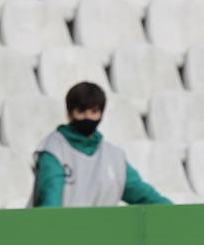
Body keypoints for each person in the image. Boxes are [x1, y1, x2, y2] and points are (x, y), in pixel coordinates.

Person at [31, 82, 171, 207]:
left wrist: (178, 213)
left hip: (103, 234)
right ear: (69, 113)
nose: (88, 117)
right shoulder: (53, 150)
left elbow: (144, 195)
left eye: (94, 111)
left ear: (101, 114)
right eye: (81, 111)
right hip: (61, 234)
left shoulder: (114, 157)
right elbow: (49, 202)